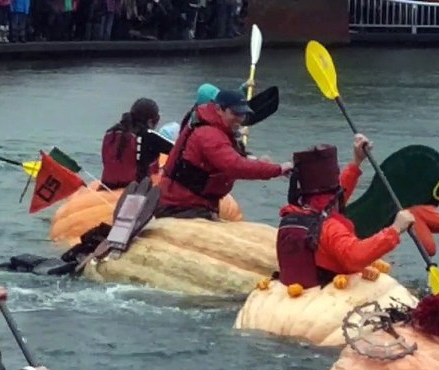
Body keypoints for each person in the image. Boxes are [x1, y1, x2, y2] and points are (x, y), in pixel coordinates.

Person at [275, 136, 415, 288]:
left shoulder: (294, 215)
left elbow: (335, 197)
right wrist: (395, 229)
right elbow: (355, 257)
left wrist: (357, 161)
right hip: (323, 295)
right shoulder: (330, 227)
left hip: (291, 290)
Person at [156, 89, 290, 219]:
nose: (240, 119)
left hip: (198, 203)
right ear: (219, 109)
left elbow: (230, 156)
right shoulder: (208, 134)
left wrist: (257, 161)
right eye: (235, 114)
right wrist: (278, 169)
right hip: (179, 205)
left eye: (242, 114)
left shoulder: (215, 126)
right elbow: (235, 166)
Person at [100, 98, 161, 189]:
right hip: (135, 189)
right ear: (150, 121)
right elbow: (177, 151)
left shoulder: (111, 132)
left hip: (108, 186)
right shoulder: (149, 136)